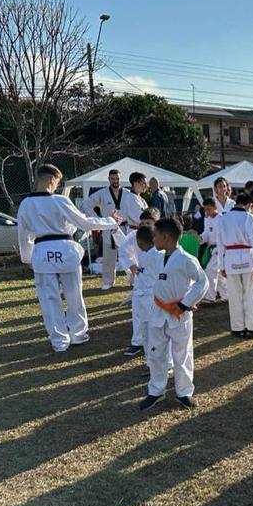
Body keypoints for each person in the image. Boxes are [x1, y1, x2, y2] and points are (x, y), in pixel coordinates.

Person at [17, 164, 121, 352]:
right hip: (65, 251)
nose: (56, 186)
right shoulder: (59, 200)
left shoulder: (26, 204)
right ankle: (78, 334)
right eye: (56, 182)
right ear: (51, 180)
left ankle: (59, 341)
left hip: (42, 252)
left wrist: (27, 258)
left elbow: (23, 234)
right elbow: (84, 222)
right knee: (74, 295)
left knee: (49, 300)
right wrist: (111, 221)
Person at [140, 218, 209, 411]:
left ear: (166, 237)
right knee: (155, 353)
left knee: (182, 354)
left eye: (155, 235)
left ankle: (184, 392)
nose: (152, 239)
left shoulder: (186, 259)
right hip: (157, 311)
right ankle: (156, 390)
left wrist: (185, 304)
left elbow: (203, 283)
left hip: (179, 313)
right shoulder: (154, 256)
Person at [217, 193, 253, 338]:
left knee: (234, 295)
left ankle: (237, 328)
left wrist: (222, 266)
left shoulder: (223, 218)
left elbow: (220, 244)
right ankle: (252, 327)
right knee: (250, 294)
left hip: (230, 259)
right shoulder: (250, 218)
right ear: (249, 205)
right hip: (247, 258)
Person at [118, 208, 160, 357]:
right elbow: (123, 249)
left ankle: (155, 343)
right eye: (142, 223)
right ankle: (137, 342)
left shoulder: (162, 237)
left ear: (156, 223)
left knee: (155, 314)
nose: (144, 225)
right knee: (137, 312)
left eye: (148, 223)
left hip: (156, 282)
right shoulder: (134, 235)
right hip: (141, 279)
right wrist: (131, 264)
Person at [82, 169, 126, 289]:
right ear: (108, 179)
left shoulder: (127, 193)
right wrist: (98, 221)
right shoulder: (102, 193)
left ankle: (134, 280)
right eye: (112, 179)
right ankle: (108, 281)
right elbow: (86, 204)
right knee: (108, 256)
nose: (115, 181)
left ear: (120, 179)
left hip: (125, 227)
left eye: (117, 178)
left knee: (129, 254)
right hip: (109, 227)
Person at [199, 198, 226, 303]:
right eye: (205, 210)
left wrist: (221, 249)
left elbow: (223, 236)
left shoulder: (221, 219)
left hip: (220, 248)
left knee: (210, 270)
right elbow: (206, 232)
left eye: (209, 209)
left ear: (215, 207)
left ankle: (210, 296)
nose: (207, 212)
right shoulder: (207, 219)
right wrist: (201, 238)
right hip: (211, 248)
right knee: (217, 273)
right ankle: (226, 295)